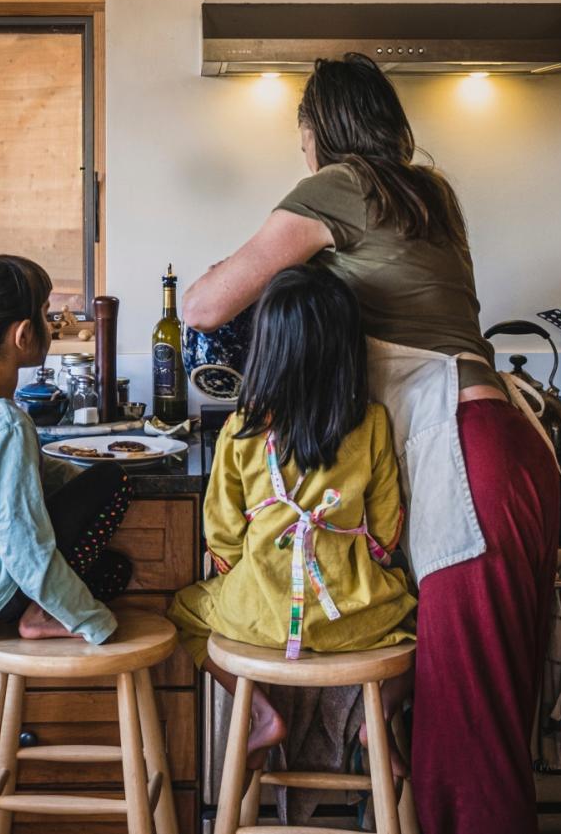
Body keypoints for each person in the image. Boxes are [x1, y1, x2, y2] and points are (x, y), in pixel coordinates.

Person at [183, 54, 561, 834]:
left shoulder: (341, 184)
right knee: (485, 714)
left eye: (302, 140)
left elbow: (204, 305)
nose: (303, 155)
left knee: (468, 729)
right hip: (508, 446)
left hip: (464, 455)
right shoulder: (431, 193)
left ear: (319, 132)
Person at [169, 264, 415, 761]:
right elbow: (386, 528)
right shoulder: (371, 423)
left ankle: (263, 712)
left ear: (266, 349)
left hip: (258, 616)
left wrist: (246, 573)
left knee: (182, 612)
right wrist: (368, 558)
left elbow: (221, 531)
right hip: (354, 618)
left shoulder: (240, 428)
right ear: (349, 350)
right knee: (433, 629)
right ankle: (380, 716)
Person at [0, 254, 134, 643]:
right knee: (112, 480)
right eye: (47, 315)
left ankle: (35, 609)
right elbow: (25, 547)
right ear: (24, 335)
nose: (51, 326)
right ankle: (39, 615)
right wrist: (93, 623)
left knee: (114, 570)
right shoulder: (5, 425)